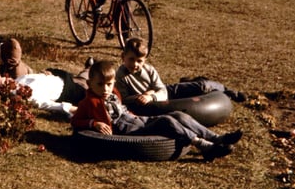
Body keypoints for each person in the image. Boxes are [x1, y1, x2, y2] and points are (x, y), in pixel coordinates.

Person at [72, 60, 243, 161]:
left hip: (136, 120)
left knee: (177, 115)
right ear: (89, 84)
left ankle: (216, 138)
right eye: (100, 85)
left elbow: (123, 108)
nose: (105, 89)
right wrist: (93, 123)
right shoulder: (88, 102)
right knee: (166, 122)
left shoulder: (114, 93)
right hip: (127, 130)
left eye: (109, 84)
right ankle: (203, 146)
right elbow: (75, 120)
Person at [115, 38, 246, 115]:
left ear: (144, 60)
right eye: (131, 59)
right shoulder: (120, 75)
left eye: (139, 61)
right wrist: (143, 96)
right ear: (123, 57)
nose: (135, 64)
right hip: (151, 103)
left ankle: (226, 90)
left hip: (165, 93)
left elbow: (162, 89)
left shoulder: (149, 70)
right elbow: (124, 99)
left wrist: (152, 95)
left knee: (202, 86)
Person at [0, 38, 90, 119]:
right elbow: (48, 105)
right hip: (68, 90)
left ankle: (89, 69)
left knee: (80, 79)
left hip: (57, 75)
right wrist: (73, 109)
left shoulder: (17, 82)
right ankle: (90, 68)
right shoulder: (25, 94)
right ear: (4, 88)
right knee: (86, 83)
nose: (1, 77)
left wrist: (47, 73)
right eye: (2, 80)